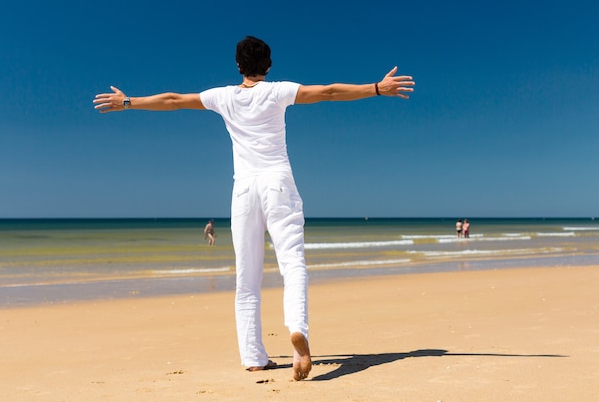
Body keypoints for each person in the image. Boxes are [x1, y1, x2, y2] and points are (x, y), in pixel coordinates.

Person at [94, 36, 415, 381]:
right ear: (269, 65)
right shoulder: (277, 92)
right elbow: (329, 92)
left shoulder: (223, 97)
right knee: (292, 263)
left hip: (243, 191)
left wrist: (127, 101)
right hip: (278, 183)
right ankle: (297, 330)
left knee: (247, 276)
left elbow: (173, 100)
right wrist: (377, 89)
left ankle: (253, 355)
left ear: (237, 65)